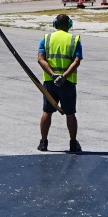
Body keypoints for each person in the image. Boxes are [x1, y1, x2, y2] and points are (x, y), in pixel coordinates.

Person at [37, 12, 83, 154]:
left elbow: (40, 59)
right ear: (69, 25)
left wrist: (52, 74)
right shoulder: (74, 40)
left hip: (50, 83)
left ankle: (43, 142)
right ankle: (73, 143)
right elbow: (77, 61)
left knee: (47, 112)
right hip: (67, 83)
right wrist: (63, 76)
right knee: (70, 113)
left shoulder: (46, 38)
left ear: (55, 24)